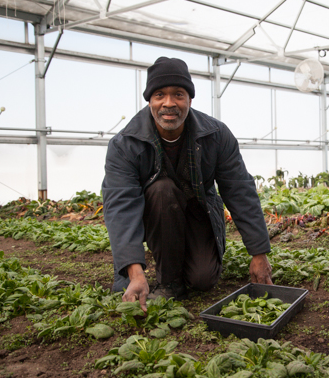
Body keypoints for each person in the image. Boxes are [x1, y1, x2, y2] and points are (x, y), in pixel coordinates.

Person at [102, 57, 272, 312]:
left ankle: (184, 267)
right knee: (161, 190)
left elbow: (239, 190)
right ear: (150, 100)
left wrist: (258, 253)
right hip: (157, 212)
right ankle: (169, 281)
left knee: (203, 280)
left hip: (198, 211)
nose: (169, 103)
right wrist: (133, 272)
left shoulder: (215, 135)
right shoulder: (126, 144)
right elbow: (120, 205)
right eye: (160, 95)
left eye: (178, 95)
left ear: (190, 100)